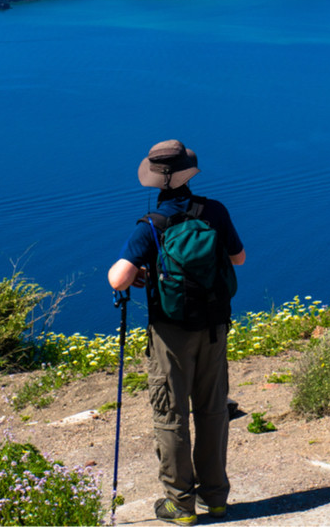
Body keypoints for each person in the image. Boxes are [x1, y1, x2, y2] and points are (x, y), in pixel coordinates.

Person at [108, 140, 245, 526]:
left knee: (171, 414)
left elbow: (118, 278)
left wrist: (144, 273)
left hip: (170, 334)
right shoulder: (214, 212)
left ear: (155, 182)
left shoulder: (152, 225)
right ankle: (215, 499)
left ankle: (180, 504)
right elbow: (239, 258)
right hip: (214, 328)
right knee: (213, 410)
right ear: (188, 174)